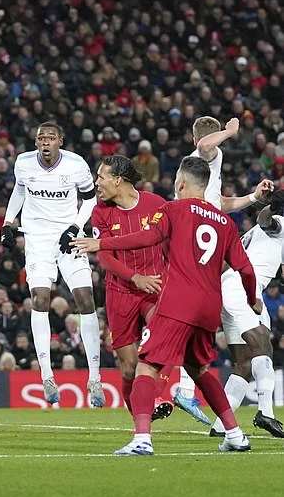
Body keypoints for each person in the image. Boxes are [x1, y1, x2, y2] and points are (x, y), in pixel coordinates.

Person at [72, 156, 257, 455]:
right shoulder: (225, 223)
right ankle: (235, 434)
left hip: (177, 301)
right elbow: (245, 269)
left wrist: (102, 244)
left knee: (146, 366)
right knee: (199, 368)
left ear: (181, 184)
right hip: (209, 307)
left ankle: (142, 439)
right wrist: (252, 299)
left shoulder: (172, 208)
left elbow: (149, 236)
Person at [166, 116, 274, 424]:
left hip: (195, 239)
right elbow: (205, 145)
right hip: (198, 241)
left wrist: (252, 198)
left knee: (203, 316)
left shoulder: (199, 174)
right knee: (196, 313)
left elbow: (221, 203)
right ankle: (181, 389)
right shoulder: (206, 156)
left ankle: (188, 392)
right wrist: (230, 131)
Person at [1, 121, 104, 407]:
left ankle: (95, 378)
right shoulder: (23, 163)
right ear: (36, 142)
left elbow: (90, 200)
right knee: (40, 298)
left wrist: (75, 227)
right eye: (41, 138)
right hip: (37, 238)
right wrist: (8, 222)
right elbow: (19, 191)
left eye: (50, 137)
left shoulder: (76, 164)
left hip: (68, 236)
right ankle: (47, 376)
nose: (45, 142)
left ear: (61, 141)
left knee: (86, 299)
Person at [89, 156, 169, 418]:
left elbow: (170, 241)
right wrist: (135, 277)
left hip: (155, 288)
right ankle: (140, 422)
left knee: (162, 338)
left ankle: (155, 396)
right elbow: (104, 257)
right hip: (120, 292)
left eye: (101, 177)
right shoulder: (100, 211)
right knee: (129, 367)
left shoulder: (156, 204)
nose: (97, 183)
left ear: (117, 180)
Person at [211, 190, 284, 438]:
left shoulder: (253, 234)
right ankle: (266, 412)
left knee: (243, 363)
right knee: (263, 343)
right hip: (242, 288)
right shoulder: (278, 223)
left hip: (229, 287)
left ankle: (221, 425)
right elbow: (266, 220)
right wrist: (271, 208)